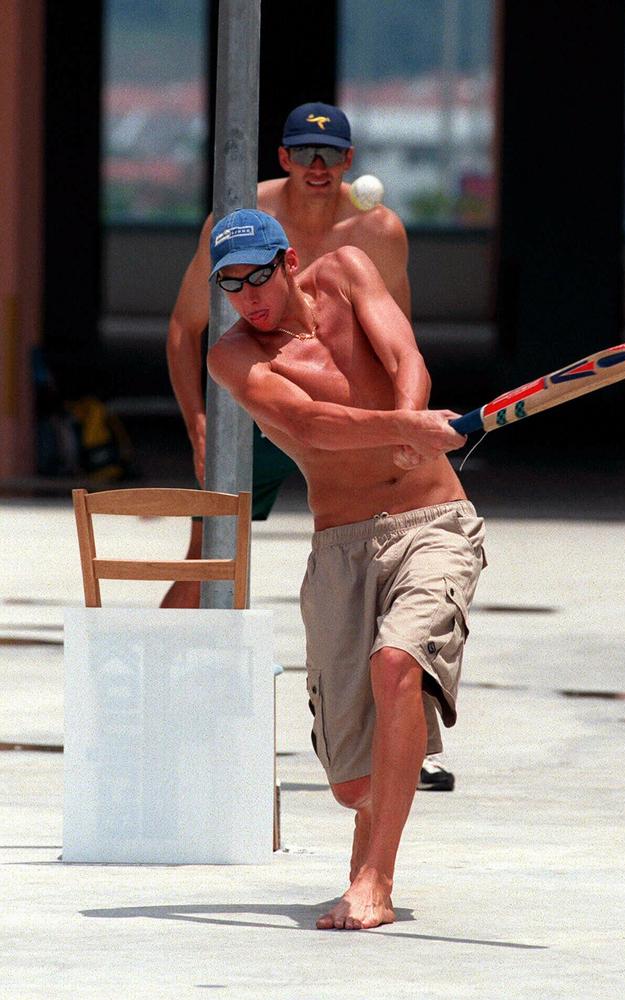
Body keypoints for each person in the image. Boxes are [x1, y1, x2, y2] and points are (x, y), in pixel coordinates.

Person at [206, 209, 486, 930]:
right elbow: (305, 425)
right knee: (352, 784)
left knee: (396, 662)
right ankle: (387, 779)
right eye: (230, 284)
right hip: (339, 551)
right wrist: (405, 429)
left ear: (289, 261)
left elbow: (405, 357)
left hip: (435, 524)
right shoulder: (233, 356)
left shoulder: (351, 271)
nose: (247, 296)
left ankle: (375, 881)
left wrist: (411, 412)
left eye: (257, 275)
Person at [163, 100, 454, 792]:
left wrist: (404, 420)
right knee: (210, 548)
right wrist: (199, 423)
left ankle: (415, 736)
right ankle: (164, 688)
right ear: (284, 159)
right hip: (267, 401)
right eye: (304, 153)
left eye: (331, 155)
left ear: (349, 163)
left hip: (360, 408)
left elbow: (399, 336)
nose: (318, 166)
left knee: (395, 560)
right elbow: (184, 329)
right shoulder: (237, 226)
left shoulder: (377, 232)